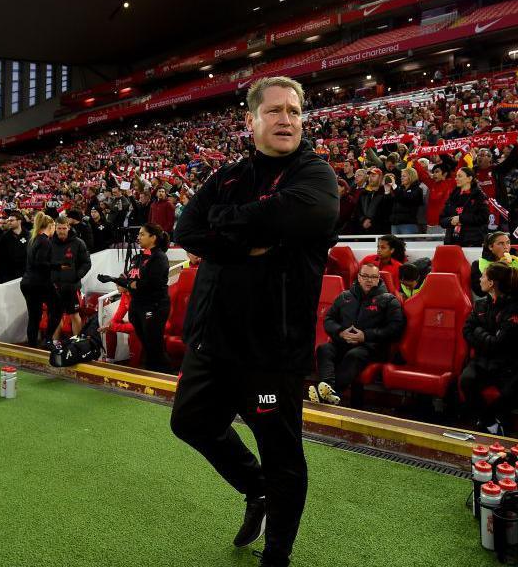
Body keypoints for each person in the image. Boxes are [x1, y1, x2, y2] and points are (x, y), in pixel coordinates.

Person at [171, 76, 338, 567]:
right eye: (274, 111)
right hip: (213, 342)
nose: (286, 119)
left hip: (272, 354)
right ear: (251, 121)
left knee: (281, 452)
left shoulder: (315, 175)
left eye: (294, 111)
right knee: (191, 423)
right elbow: (187, 229)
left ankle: (277, 555)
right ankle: (255, 488)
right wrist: (252, 236)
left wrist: (224, 227)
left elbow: (304, 214)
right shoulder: (225, 175)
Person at [310, 261, 404, 406]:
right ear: (358, 277)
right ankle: (326, 387)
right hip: (343, 342)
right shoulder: (344, 296)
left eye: (373, 277)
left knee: (354, 355)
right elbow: (328, 319)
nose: (368, 280)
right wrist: (340, 332)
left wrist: (366, 335)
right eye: (365, 276)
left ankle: (332, 392)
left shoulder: (389, 300)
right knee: (324, 349)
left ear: (378, 278)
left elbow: (395, 329)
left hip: (372, 347)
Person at [461, 261, 518, 434]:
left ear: (491, 283)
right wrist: (484, 335)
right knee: (466, 380)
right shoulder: (481, 304)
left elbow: (500, 343)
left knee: (512, 391)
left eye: (483, 276)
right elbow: (467, 330)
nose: (480, 279)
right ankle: (488, 422)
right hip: (483, 360)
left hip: (509, 364)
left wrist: (478, 331)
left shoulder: (517, 308)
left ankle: (498, 424)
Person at [99, 223, 171, 371]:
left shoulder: (159, 258)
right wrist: (113, 279)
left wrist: (131, 284)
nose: (138, 237)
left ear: (153, 237)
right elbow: (129, 280)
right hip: (137, 306)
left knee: (153, 344)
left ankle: (164, 374)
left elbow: (148, 284)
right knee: (146, 343)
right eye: (138, 234)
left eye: (142, 234)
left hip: (154, 306)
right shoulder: (138, 257)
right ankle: (151, 372)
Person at [48, 216, 91, 345]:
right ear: (55, 228)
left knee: (74, 315)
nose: (61, 231)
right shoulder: (49, 243)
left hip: (71, 287)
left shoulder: (78, 243)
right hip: (54, 286)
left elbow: (86, 263)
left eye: (64, 228)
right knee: (55, 315)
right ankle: (55, 342)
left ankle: (76, 343)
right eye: (59, 228)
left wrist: (76, 276)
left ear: (69, 227)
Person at [20, 212, 55, 348]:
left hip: (27, 282)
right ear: (50, 226)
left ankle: (33, 346)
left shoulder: (33, 239)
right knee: (56, 308)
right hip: (38, 283)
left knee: (34, 316)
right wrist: (57, 266)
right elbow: (40, 263)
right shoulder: (44, 241)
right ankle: (47, 340)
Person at [469, 231, 518, 295]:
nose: (506, 247)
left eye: (508, 243)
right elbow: (479, 292)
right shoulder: (477, 264)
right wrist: (498, 268)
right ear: (490, 247)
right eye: (500, 244)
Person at [440, 166, 489, 246]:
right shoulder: (452, 196)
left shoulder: (479, 195)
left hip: (473, 242)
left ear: (469, 178)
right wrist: (450, 220)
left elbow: (484, 217)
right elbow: (442, 219)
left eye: (460, 176)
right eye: (456, 176)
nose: (456, 178)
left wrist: (461, 219)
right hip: (451, 242)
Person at [0, 211, 28, 284]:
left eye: (12, 220)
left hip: (24, 274)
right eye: (9, 221)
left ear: (19, 221)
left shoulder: (28, 235)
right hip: (8, 275)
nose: (9, 222)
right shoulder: (4, 237)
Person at [389, 167, 424, 236]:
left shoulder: (417, 189)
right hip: (395, 223)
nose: (401, 178)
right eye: (401, 176)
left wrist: (394, 186)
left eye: (404, 176)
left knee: (409, 246)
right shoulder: (399, 189)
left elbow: (406, 199)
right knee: (395, 246)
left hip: (408, 224)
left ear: (411, 177)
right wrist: (387, 191)